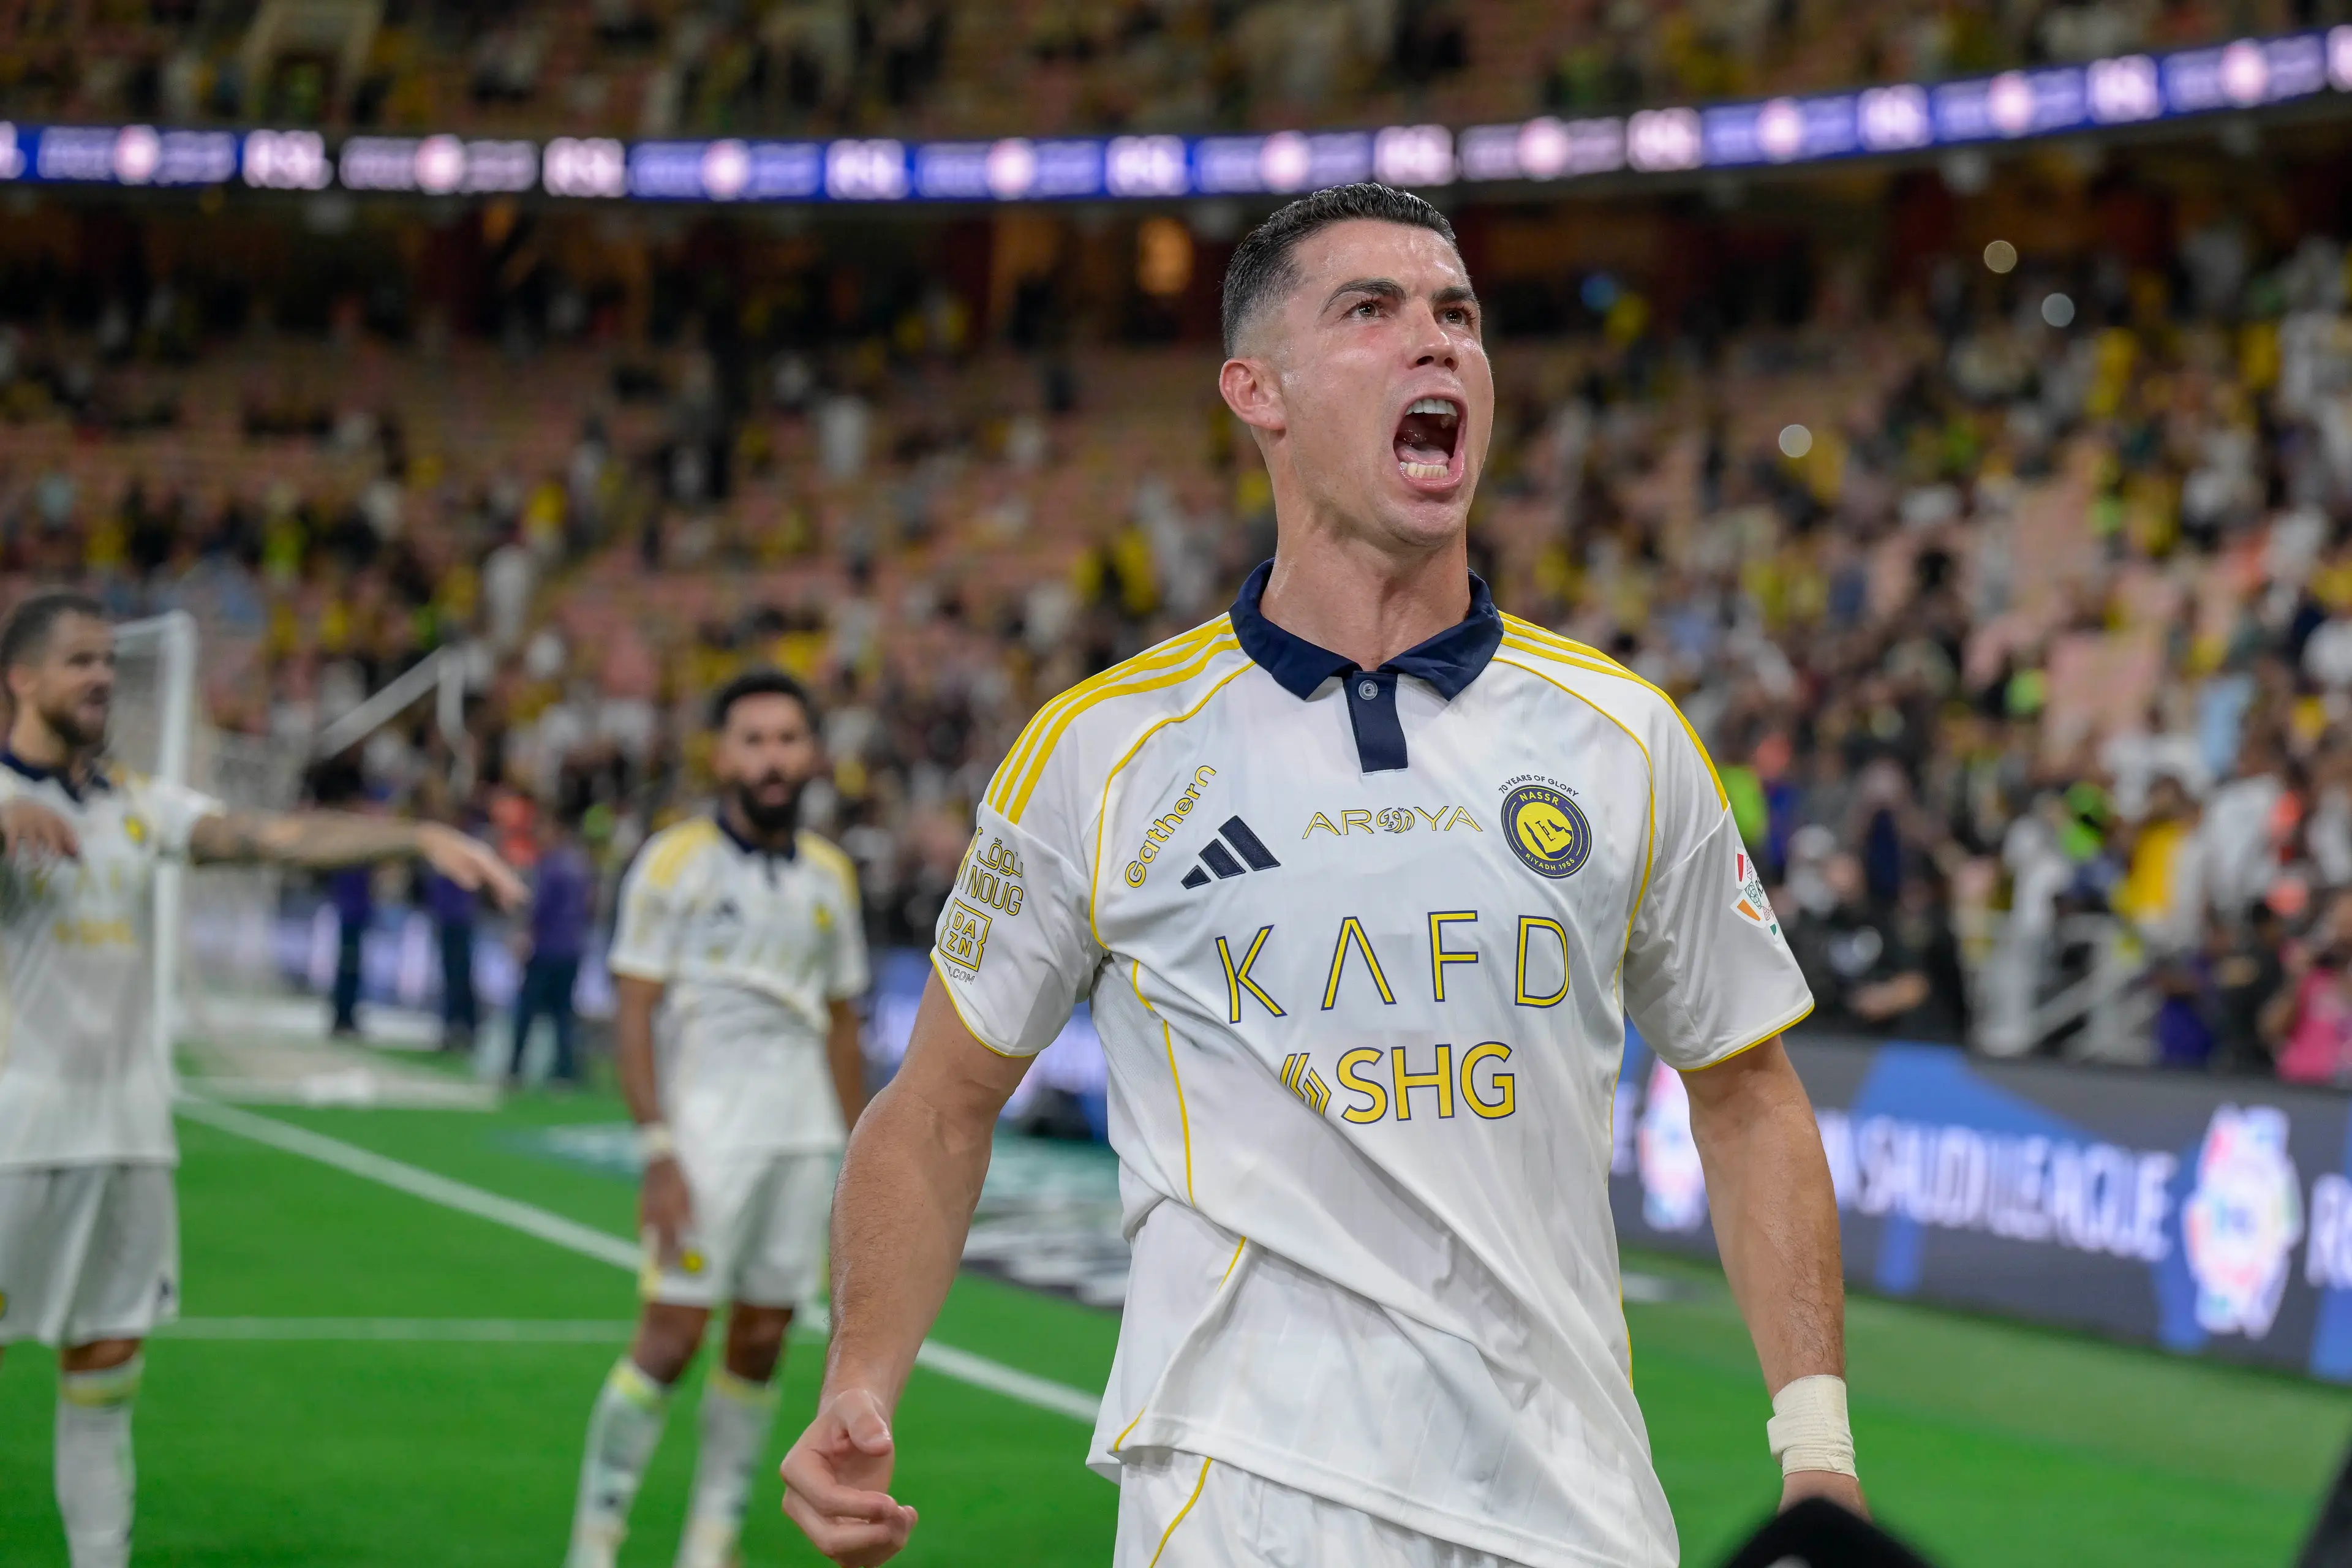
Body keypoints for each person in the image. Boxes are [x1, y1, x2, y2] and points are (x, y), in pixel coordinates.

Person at [781, 184, 1859, 1568]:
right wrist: (859, 1380)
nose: (1437, 343)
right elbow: (936, 1107)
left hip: (1572, 1508)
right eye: (1372, 310)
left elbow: (1746, 1091)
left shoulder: (1620, 736)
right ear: (1257, 390)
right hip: (1235, 1501)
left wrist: (1814, 1446)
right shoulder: (1102, 750)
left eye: (1457, 315)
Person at [0, 590, 524, 1568]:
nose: (104, 678)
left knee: (106, 1371)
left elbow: (272, 838)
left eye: (110, 660)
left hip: (128, 1136)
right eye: (79, 661)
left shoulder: (133, 803)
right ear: (21, 680)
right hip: (14, 1137)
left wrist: (414, 837)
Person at [565, 669, 870, 1568]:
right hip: (705, 1141)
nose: (772, 759)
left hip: (804, 1138)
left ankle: (710, 1543)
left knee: (766, 1337)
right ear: (721, 754)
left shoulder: (830, 875)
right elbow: (631, 1010)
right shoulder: (673, 863)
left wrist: (860, 1159)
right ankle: (594, 1543)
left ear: (811, 754)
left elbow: (845, 1021)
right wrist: (658, 1148)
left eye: (787, 740)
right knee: (669, 1339)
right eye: (753, 740)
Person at [509, 805, 593, 1087]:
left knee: (527, 1011)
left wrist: (525, 938)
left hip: (547, 949)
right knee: (563, 1015)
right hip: (572, 948)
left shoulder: (551, 865)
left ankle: (515, 1068)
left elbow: (538, 908)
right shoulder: (579, 865)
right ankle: (564, 1072)